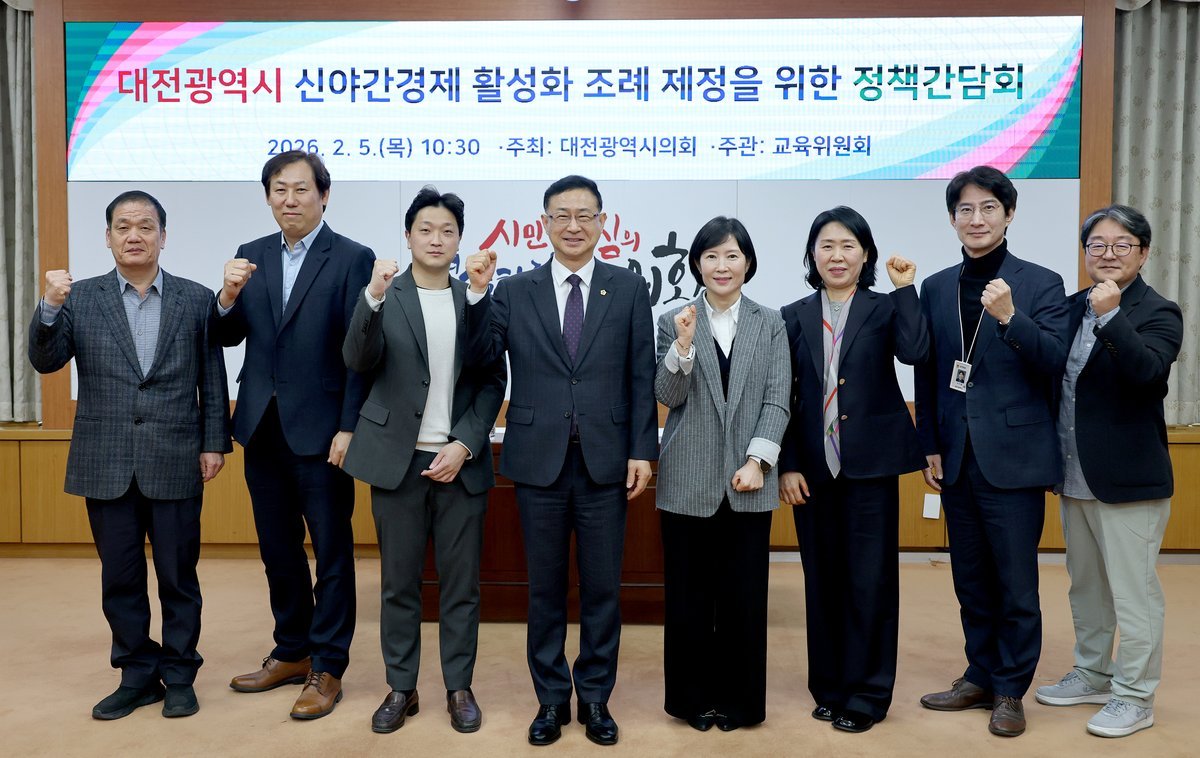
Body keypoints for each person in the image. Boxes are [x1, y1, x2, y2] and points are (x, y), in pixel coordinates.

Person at [463, 175, 658, 746]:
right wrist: (476, 296)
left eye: (584, 215)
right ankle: (550, 699)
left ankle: (595, 697)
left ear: (602, 223)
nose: (574, 226)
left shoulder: (628, 289)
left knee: (602, 589)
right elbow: (480, 360)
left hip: (606, 461)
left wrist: (642, 450)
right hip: (537, 460)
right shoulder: (512, 290)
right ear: (544, 223)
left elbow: (641, 376)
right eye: (562, 216)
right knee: (544, 589)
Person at [28, 191, 231, 720]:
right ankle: (137, 675)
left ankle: (180, 674)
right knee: (119, 578)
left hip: (176, 455)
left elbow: (212, 377)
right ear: (108, 237)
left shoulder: (196, 299)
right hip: (106, 458)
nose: (134, 235)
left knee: (178, 577)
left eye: (145, 226)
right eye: (123, 227)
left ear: (163, 236)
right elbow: (46, 361)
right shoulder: (80, 298)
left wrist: (214, 441)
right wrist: (49, 306)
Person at [341, 187, 506, 734]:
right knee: (399, 584)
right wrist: (372, 297)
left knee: (461, 586)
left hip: (460, 462)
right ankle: (401, 687)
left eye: (447, 231)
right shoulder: (384, 294)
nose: (436, 239)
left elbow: (491, 378)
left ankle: (459, 687)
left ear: (459, 240)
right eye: (426, 230)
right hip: (398, 461)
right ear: (408, 235)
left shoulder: (473, 297)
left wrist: (464, 444)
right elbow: (356, 359)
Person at [217, 151, 374, 719]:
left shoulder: (353, 257)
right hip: (262, 426)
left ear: (323, 196)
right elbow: (229, 335)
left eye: (302, 189)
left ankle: (328, 665)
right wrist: (226, 297)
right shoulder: (251, 254)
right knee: (277, 549)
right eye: (279, 189)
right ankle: (291, 649)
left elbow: (361, 354)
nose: (290, 199)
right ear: (268, 197)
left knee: (331, 552)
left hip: (324, 430)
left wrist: (349, 426)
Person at [914, 166, 1070, 737]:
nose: (976, 219)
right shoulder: (936, 287)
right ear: (952, 219)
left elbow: (1053, 358)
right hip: (956, 455)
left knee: (1015, 584)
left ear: (1009, 214)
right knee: (971, 579)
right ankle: (979, 674)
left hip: (1015, 455)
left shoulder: (1042, 283)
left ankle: (1010, 688)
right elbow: (929, 372)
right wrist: (930, 444)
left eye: (988, 208)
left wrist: (1009, 317)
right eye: (965, 209)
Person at [778, 206, 929, 733]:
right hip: (812, 470)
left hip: (869, 467)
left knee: (871, 582)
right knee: (821, 581)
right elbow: (783, 396)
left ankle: (868, 694)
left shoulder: (885, 307)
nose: (837, 255)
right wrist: (787, 464)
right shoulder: (792, 315)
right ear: (812, 255)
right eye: (826, 245)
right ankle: (830, 687)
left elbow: (915, 351)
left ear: (865, 254)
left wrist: (905, 290)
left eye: (848, 246)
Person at [1034, 205, 1182, 738]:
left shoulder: (1159, 311)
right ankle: (1094, 673)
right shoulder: (1072, 307)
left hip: (1129, 483)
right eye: (1097, 244)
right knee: (1088, 587)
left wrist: (1112, 316)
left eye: (1122, 244)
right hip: (1075, 474)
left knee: (1133, 593)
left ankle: (1135, 696)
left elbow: (1148, 375)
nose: (1108, 253)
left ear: (1143, 253)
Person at [653, 217, 790, 733]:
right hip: (687, 480)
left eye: (732, 255)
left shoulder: (770, 322)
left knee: (743, 600)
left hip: (749, 482)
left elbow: (777, 399)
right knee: (688, 600)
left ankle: (740, 702)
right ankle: (692, 701)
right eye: (711, 256)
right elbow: (667, 396)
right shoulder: (674, 320)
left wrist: (758, 462)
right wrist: (684, 346)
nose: (722, 266)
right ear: (697, 264)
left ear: (748, 263)